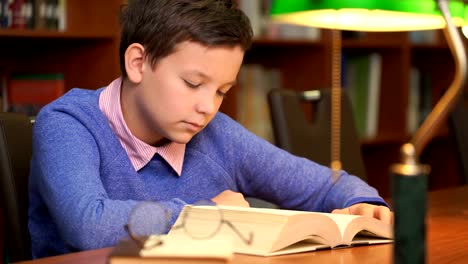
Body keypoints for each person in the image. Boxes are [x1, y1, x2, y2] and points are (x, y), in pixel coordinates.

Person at [28, 0, 392, 259]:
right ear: (138, 62)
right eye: (192, 82)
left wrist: (362, 202)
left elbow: (325, 184)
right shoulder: (68, 123)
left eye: (221, 91)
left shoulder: (215, 133)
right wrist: (206, 212)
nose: (208, 107)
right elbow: (88, 226)